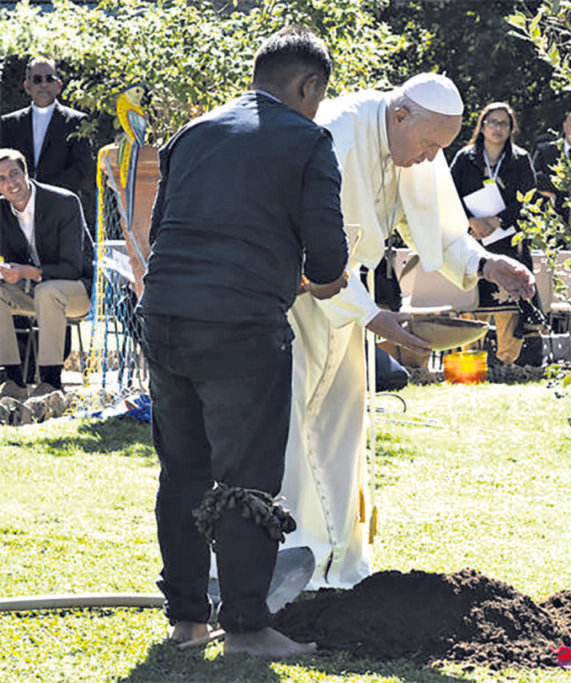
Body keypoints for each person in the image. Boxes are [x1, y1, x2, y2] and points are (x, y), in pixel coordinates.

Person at [138, 27, 349, 657]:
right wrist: (323, 280)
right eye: (318, 97)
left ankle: (187, 620)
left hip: (164, 315)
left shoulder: (192, 132)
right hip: (240, 327)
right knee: (246, 478)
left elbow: (159, 232)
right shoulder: (308, 140)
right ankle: (248, 627)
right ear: (309, 86)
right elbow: (328, 258)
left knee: (182, 471)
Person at [279, 73, 535, 590]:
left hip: (352, 297)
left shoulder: (416, 137)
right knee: (292, 427)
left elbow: (440, 228)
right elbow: (306, 244)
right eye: (428, 146)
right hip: (300, 299)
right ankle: (290, 561)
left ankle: (337, 567)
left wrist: (487, 264)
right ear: (400, 116)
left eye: (440, 148)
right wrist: (370, 314)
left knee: (340, 430)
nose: (430, 158)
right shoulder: (333, 133)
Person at [449, 102, 541, 366]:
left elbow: (528, 198)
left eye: (504, 123)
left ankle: (509, 363)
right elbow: (449, 194)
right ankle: (469, 362)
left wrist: (498, 220)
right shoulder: (465, 158)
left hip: (508, 242)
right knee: (472, 304)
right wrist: (470, 221)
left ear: (511, 129)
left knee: (509, 305)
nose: (498, 128)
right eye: (493, 122)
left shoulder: (520, 159)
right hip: (473, 241)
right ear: (482, 126)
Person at [0, 148, 91, 399]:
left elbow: (73, 267)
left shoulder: (64, 203)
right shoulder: (1, 211)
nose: (10, 183)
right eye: (2, 179)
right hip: (31, 291)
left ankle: (51, 383)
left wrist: (28, 272)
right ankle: (13, 381)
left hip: (77, 290)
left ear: (26, 173)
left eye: (14, 174)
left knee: (47, 290)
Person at [0, 57, 93, 204]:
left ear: (59, 85)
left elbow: (81, 167)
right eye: (37, 80)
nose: (44, 84)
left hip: (60, 204)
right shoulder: (8, 123)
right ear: (27, 86)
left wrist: (45, 194)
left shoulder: (77, 121)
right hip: (17, 204)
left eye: (49, 79)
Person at [532, 109, 571, 248]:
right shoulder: (545, 151)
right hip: (552, 224)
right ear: (565, 126)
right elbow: (534, 181)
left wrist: (552, 186)